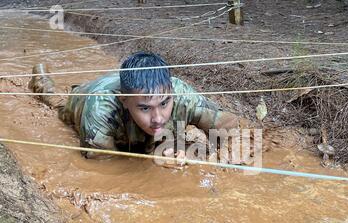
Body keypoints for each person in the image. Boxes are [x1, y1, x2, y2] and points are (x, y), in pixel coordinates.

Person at [30, 51, 241, 162]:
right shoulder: (100, 109)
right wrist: (155, 163)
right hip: (84, 98)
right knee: (55, 102)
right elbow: (104, 164)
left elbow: (234, 129)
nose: (158, 117)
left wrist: (203, 157)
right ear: (124, 101)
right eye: (145, 108)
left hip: (131, 87)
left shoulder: (182, 95)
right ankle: (40, 79)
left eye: (164, 104)